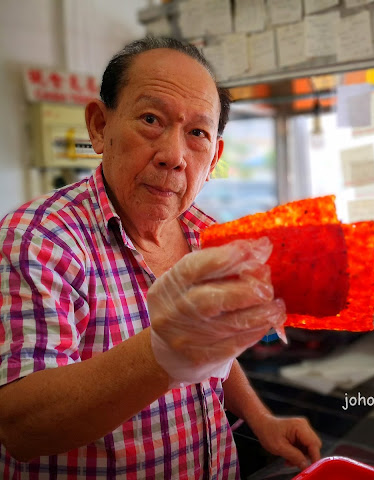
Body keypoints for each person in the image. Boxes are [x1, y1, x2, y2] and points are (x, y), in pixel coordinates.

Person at [0, 37, 321, 479]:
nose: (173, 156)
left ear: (213, 160)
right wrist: (165, 348)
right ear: (99, 126)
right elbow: (22, 428)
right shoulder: (39, 238)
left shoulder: (206, 233)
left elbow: (214, 351)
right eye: (151, 119)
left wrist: (261, 419)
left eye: (197, 134)